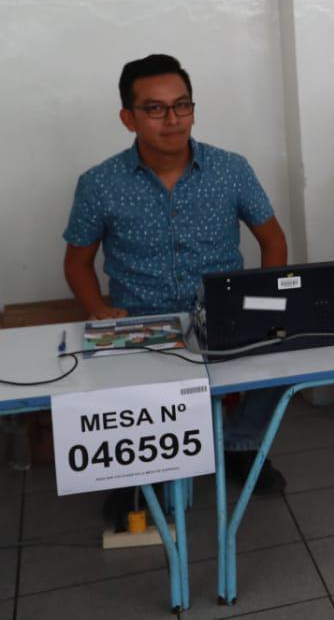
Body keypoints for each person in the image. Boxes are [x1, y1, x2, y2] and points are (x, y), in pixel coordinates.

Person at [63, 54, 291, 495]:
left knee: (287, 355)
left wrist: (265, 300)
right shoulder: (99, 183)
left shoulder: (231, 169)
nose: (172, 119)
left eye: (182, 105)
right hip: (139, 318)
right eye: (155, 108)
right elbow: (76, 262)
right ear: (128, 118)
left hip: (225, 310)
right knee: (116, 394)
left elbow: (273, 239)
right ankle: (137, 476)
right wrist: (96, 310)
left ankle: (238, 445)